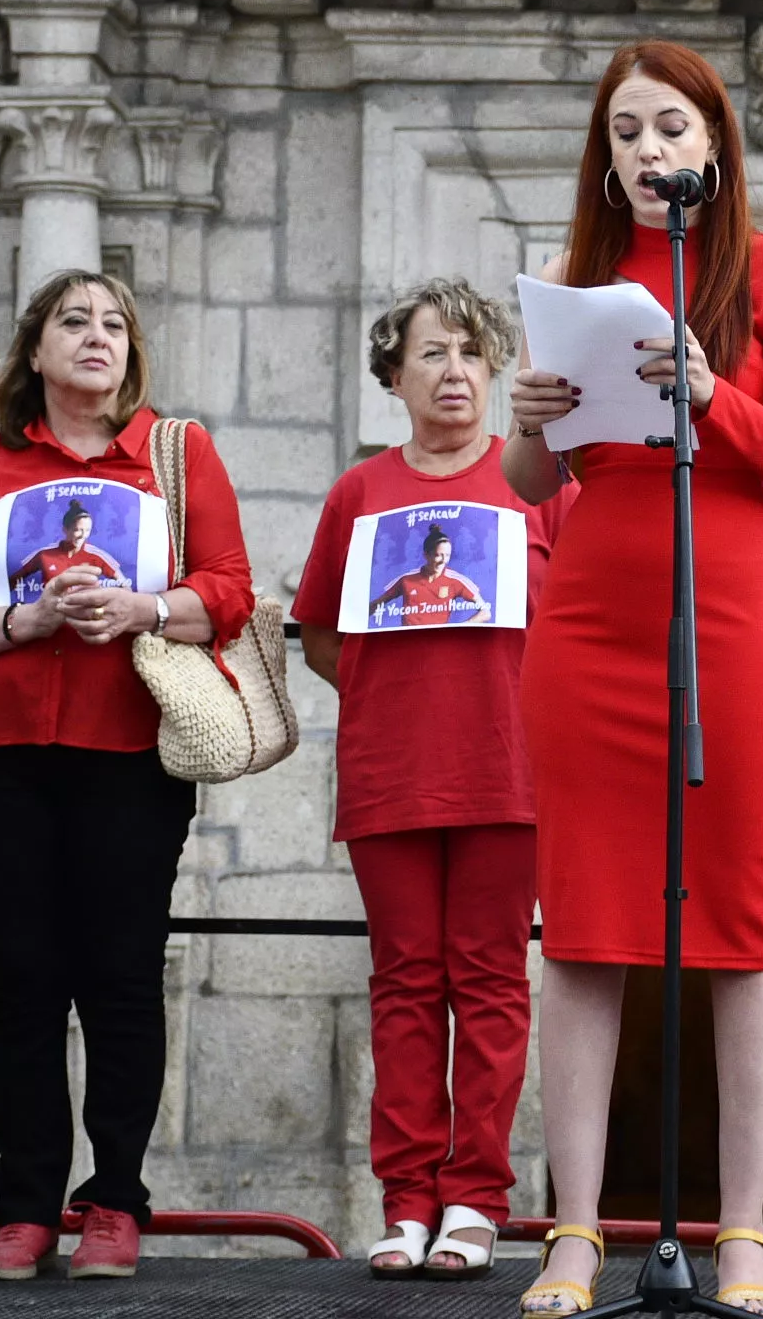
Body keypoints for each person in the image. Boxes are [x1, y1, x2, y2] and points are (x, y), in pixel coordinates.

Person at [504, 39, 763, 1319]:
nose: (649, 152)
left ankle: (747, 1228)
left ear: (714, 143)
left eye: (671, 128)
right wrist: (529, 420)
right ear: (605, 157)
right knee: (585, 927)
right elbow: (534, 486)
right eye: (627, 133)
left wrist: (713, 398)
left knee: (748, 923)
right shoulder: (576, 277)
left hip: (736, 620)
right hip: (590, 623)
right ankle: (575, 1229)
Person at [0, 271, 255, 1283]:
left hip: (130, 758)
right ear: (37, 350)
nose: (96, 336)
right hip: (2, 759)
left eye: (114, 323)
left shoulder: (177, 458)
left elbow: (227, 591)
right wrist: (30, 618)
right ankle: (24, 1207)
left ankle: (114, 1200)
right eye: (74, 320)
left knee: (118, 978)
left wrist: (140, 609)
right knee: (19, 982)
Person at [293, 279, 575, 1280]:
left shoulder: (542, 481)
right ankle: (405, 1200)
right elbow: (321, 632)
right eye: (431, 353)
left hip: (509, 773)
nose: (453, 370)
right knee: (405, 985)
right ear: (395, 375)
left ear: (494, 369)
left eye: (470, 351)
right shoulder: (357, 492)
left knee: (492, 983)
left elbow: (587, 621)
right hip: (391, 774)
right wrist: (399, 688)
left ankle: (476, 1199)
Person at [371, 523, 486, 627]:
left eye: (447, 555)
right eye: (438, 555)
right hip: (408, 643)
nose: (443, 560)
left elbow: (485, 612)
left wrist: (461, 627)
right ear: (426, 555)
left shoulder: (456, 580)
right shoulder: (406, 579)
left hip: (438, 643)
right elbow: (376, 604)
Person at [9, 499, 127, 599]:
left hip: (85, 619)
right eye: (77, 530)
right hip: (49, 619)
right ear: (65, 529)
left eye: (87, 531)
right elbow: (12, 580)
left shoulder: (96, 555)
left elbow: (125, 585)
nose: (83, 535)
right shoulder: (44, 554)